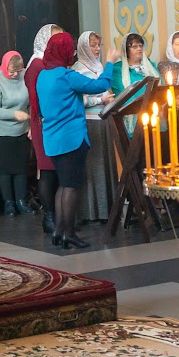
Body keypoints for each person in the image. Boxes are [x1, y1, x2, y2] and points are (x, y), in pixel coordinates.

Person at [37, 33, 121, 248]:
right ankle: (70, 233)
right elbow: (100, 85)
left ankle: (59, 231)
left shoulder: (42, 76)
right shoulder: (67, 76)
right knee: (71, 186)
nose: (72, 52)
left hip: (52, 138)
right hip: (71, 137)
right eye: (70, 48)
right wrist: (110, 63)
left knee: (62, 185)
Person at [22, 24, 64, 234]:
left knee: (55, 170)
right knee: (47, 170)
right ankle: (49, 217)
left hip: (51, 123)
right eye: (54, 39)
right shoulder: (37, 65)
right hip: (44, 123)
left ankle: (58, 216)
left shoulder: (46, 63)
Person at [72, 30, 116, 224]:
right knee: (94, 167)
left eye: (99, 45)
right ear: (83, 47)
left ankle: (109, 210)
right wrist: (101, 99)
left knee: (107, 166)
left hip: (106, 120)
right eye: (93, 45)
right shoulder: (77, 69)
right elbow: (78, 100)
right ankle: (93, 211)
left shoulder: (98, 66)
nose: (97, 49)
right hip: (90, 122)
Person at [0, 51, 33, 217]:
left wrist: (31, 126)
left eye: (18, 71)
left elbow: (32, 102)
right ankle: (9, 203)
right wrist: (14, 114)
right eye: (11, 71)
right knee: (4, 169)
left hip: (22, 129)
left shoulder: (25, 76)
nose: (15, 74)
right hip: (1, 131)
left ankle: (21, 201)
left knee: (21, 167)